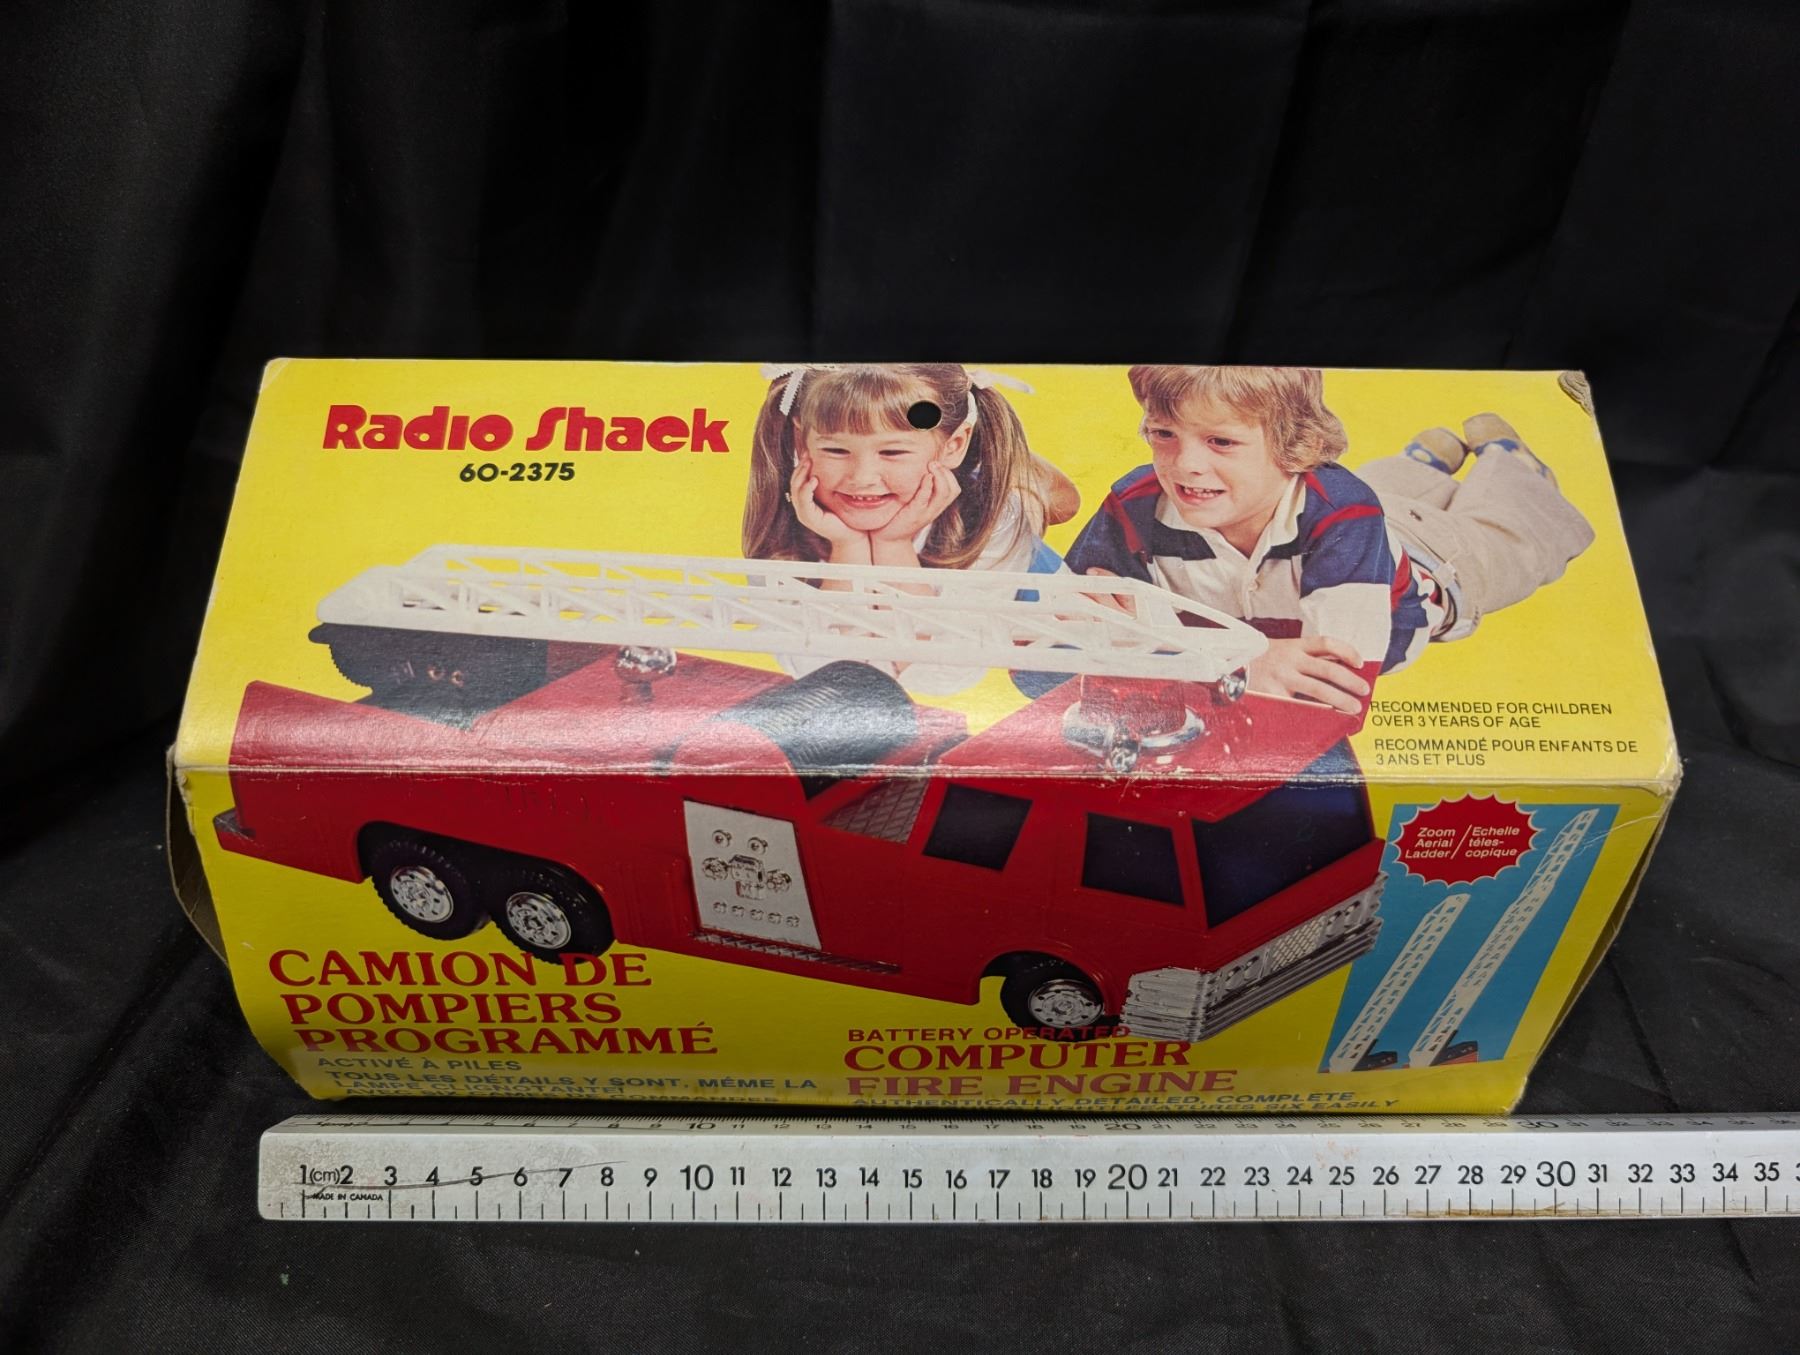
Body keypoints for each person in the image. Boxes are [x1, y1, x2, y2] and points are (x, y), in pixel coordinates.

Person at [1066, 365, 1593, 715]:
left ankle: (1512, 466)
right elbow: (1067, 628)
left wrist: (1200, 652)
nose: (1184, 466)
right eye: (1163, 434)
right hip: (1356, 510)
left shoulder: (1344, 513)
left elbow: (1336, 682)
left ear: (1294, 445)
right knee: (1379, 491)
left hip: (1432, 562)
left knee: (1513, 538)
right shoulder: (1135, 504)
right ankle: (1420, 466)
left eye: (1221, 441)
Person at [741, 362, 1079, 693]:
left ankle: (1020, 482)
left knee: (1033, 506)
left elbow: (943, 677)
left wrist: (893, 545)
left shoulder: (997, 520)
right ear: (801, 442)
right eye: (836, 449)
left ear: (954, 446)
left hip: (1057, 633)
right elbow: (826, 673)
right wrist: (848, 548)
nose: (862, 478)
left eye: (892, 451)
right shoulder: (782, 526)